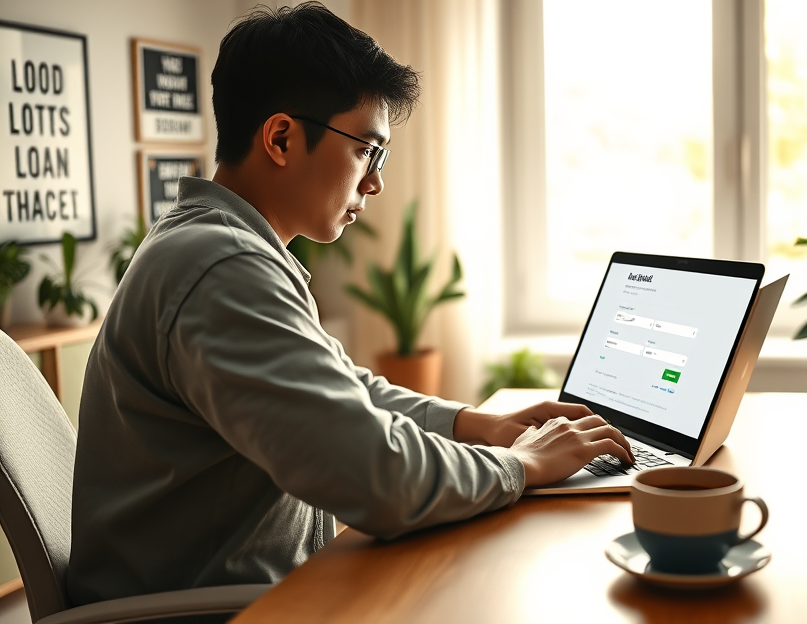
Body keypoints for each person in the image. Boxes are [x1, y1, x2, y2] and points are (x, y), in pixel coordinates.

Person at [67, 1, 633, 607]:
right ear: (281, 137)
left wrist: (479, 426)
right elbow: (374, 474)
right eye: (368, 149)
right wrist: (519, 467)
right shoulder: (221, 268)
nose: (376, 182)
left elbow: (341, 389)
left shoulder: (216, 245)